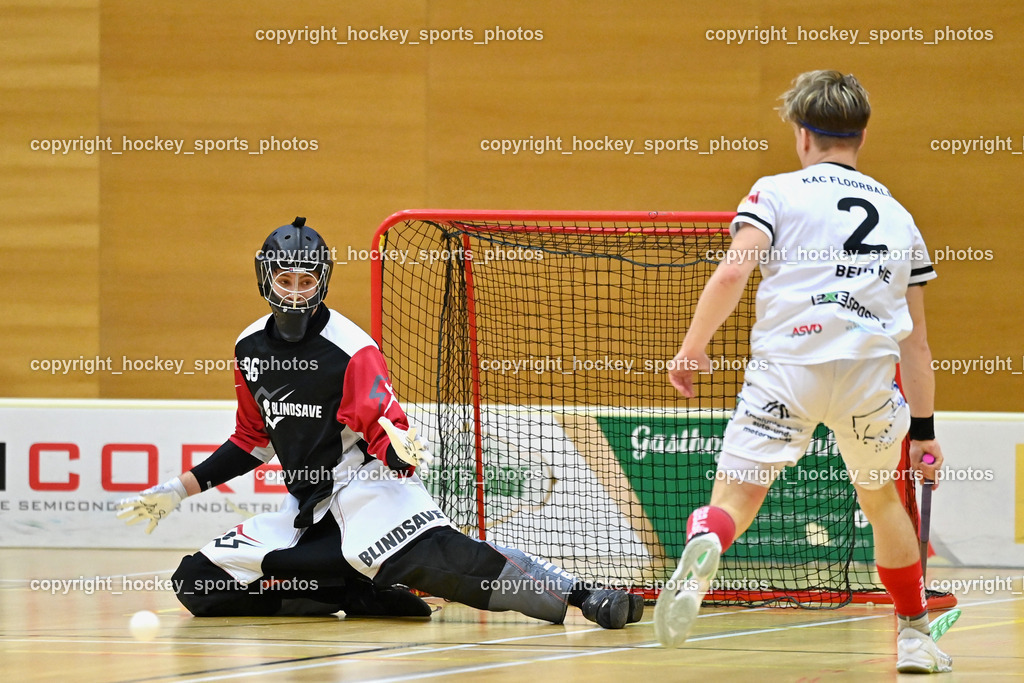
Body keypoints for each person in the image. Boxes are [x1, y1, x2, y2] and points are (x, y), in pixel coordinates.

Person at [116, 216, 642, 628]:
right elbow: (252, 442)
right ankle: (349, 592)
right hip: (305, 512)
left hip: (367, 495)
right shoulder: (248, 347)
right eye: (284, 278)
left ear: (322, 281)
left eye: (307, 280)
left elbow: (385, 426)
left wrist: (400, 451)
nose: (295, 291)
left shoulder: (350, 349)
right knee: (198, 583)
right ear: (264, 276)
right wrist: (175, 491)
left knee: (460, 565)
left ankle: (581, 594)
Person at [654, 71, 952, 674]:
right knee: (882, 503)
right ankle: (916, 637)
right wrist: (923, 428)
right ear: (862, 135)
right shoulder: (899, 216)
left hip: (788, 367)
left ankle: (707, 539)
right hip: (870, 375)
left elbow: (734, 272)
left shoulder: (774, 192)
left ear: (800, 134)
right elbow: (918, 344)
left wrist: (692, 348)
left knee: (738, 495)